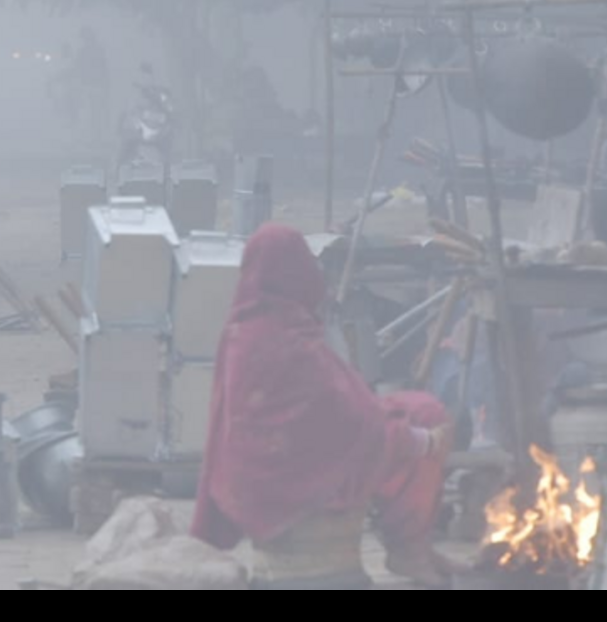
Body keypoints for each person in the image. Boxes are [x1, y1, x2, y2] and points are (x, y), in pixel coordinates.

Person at [192, 223, 460, 588]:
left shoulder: (241, 330)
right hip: (294, 482)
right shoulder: (290, 341)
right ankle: (409, 547)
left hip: (248, 481)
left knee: (411, 410)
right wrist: (421, 441)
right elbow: (351, 424)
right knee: (425, 416)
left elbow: (329, 412)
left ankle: (415, 549)